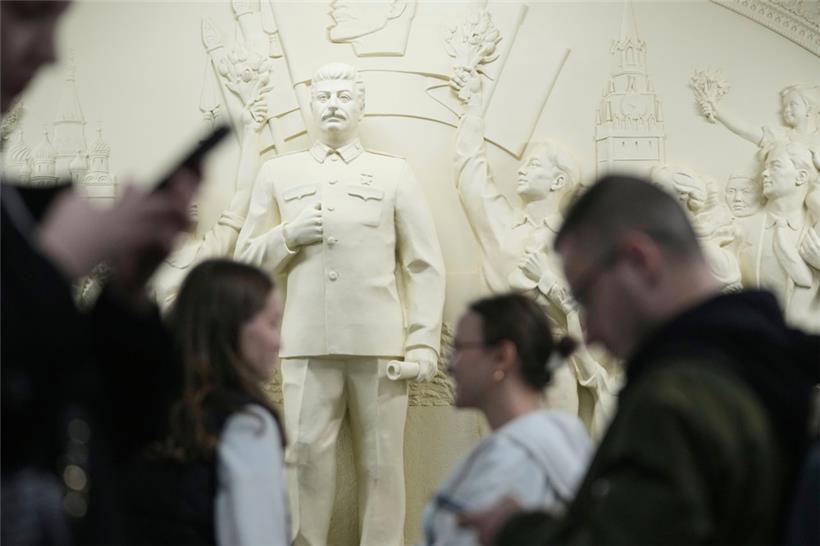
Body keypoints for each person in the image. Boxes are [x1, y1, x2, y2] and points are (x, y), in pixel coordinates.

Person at [462, 175, 820, 545]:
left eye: (585, 296)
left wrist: (513, 529)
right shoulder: (773, 357)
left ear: (639, 260)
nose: (588, 332)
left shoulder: (678, 400)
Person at [2, 1, 200, 544]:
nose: (49, 52)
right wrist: (57, 266)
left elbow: (112, 427)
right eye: (25, 15)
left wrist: (127, 296)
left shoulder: (17, 211)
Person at [234, 62, 445, 546]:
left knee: (381, 462)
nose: (332, 103)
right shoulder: (279, 172)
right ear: (310, 105)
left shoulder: (392, 174)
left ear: (360, 106)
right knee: (302, 457)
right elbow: (244, 262)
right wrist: (287, 236)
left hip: (380, 345)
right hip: (305, 342)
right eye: (323, 95)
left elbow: (423, 264)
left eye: (343, 96)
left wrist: (423, 344)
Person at [451, 69, 618, 437]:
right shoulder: (503, 229)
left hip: (553, 362)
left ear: (559, 182)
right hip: (499, 363)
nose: (523, 169)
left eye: (535, 164)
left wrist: (547, 282)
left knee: (555, 462)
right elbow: (470, 177)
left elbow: (595, 316)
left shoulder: (579, 245)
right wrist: (472, 109)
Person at [121, 259, 288, 546]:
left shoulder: (150, 411)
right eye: (271, 323)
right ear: (235, 326)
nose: (278, 342)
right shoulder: (247, 424)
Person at [419, 293, 591, 546]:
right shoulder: (554, 440)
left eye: (459, 348)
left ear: (502, 356)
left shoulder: (514, 460)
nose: (449, 365)